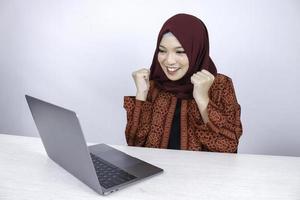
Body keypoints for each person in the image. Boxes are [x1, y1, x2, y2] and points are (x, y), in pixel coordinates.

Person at [123, 13, 242, 153]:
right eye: (162, 51)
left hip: (202, 174)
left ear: (197, 50)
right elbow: (134, 144)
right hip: (157, 173)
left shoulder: (220, 85)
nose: (169, 61)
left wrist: (203, 99)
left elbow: (229, 146)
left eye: (180, 52)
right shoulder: (154, 85)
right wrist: (141, 94)